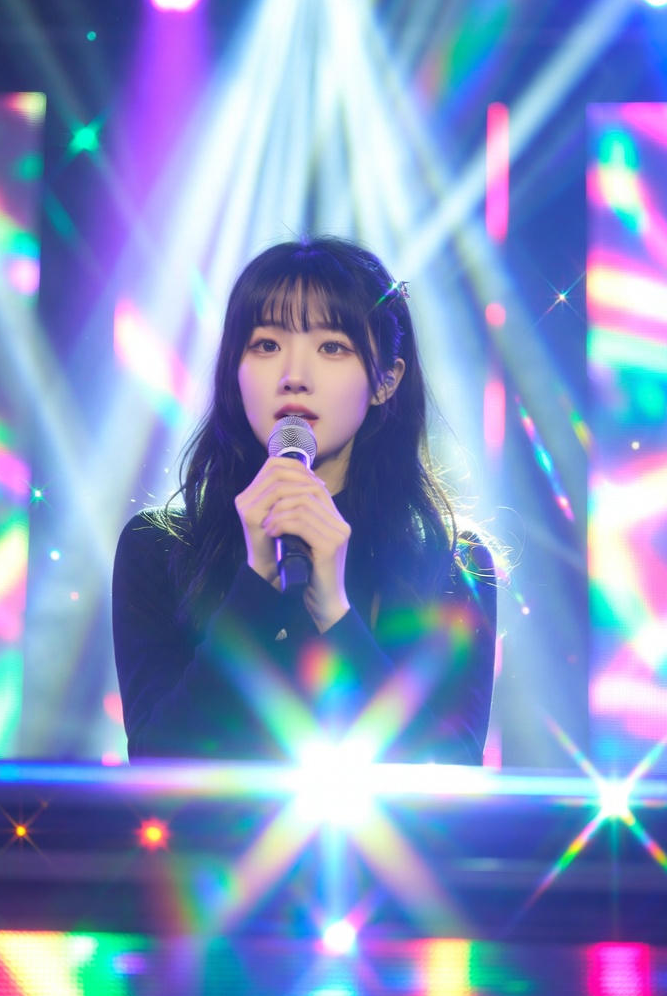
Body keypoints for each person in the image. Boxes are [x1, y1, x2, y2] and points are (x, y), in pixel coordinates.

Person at [113, 237, 496, 764]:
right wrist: (255, 585)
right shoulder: (159, 548)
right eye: (266, 345)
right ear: (234, 372)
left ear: (386, 380)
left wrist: (335, 611)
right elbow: (157, 763)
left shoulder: (452, 564)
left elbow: (446, 776)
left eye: (332, 347)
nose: (294, 376)